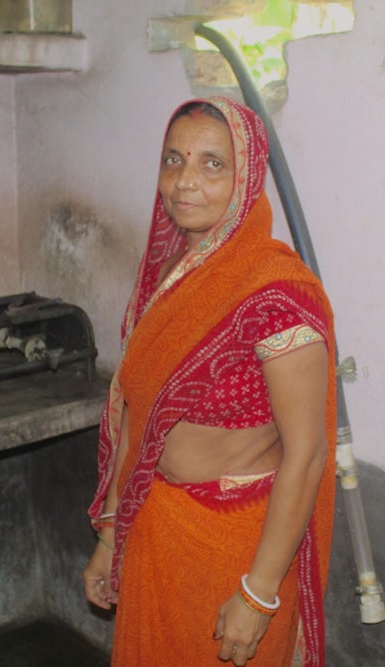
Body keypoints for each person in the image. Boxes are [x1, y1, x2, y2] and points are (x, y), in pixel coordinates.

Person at [82, 96, 337, 667]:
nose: (184, 182)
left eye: (212, 164)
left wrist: (258, 593)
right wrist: (109, 536)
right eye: (173, 160)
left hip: (235, 548)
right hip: (155, 529)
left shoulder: (278, 296)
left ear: (247, 178)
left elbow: (307, 455)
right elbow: (137, 417)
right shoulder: (168, 280)